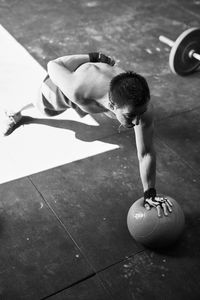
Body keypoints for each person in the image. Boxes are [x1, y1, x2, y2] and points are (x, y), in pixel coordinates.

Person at [2, 52, 172, 217]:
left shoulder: (143, 109)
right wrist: (92, 57)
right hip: (70, 86)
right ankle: (15, 113)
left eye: (140, 113)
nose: (136, 122)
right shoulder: (77, 87)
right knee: (41, 106)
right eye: (130, 116)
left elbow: (146, 152)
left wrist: (149, 192)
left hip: (99, 91)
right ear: (112, 105)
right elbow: (53, 65)